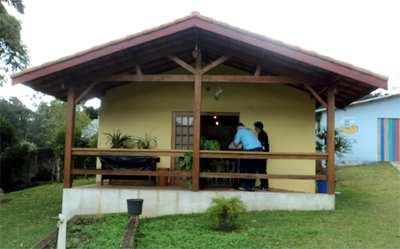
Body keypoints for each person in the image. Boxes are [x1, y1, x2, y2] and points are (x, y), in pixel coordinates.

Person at [231, 123, 263, 191]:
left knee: (245, 168)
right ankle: (251, 186)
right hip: (259, 149)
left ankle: (246, 186)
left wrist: (235, 138)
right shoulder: (249, 130)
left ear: (238, 128)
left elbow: (235, 144)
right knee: (253, 169)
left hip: (251, 150)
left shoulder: (239, 131)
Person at [254, 121, 269, 190]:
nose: (254, 129)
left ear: (258, 127)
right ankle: (263, 185)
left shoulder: (262, 134)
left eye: (255, 127)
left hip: (263, 154)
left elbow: (263, 145)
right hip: (263, 154)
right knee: (261, 170)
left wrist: (261, 152)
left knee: (262, 170)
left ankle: (265, 186)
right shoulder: (262, 133)